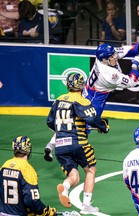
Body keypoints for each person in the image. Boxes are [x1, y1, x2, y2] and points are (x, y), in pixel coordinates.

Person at [44, 39, 139, 162]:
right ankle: (73, 157)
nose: (115, 57)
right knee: (80, 131)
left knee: (69, 124)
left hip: (85, 95)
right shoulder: (108, 74)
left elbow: (124, 51)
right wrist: (135, 65)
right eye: (112, 56)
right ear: (105, 59)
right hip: (93, 104)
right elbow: (131, 82)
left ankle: (51, 145)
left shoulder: (102, 59)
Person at [47, 73, 110, 214]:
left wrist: (63, 130)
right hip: (78, 142)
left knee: (73, 175)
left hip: (60, 146)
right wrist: (104, 126)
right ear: (81, 86)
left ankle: (66, 187)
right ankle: (86, 205)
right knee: (90, 170)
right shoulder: (82, 100)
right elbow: (93, 119)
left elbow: (50, 122)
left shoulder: (58, 100)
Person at [0, 136, 57, 215]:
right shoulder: (27, 170)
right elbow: (32, 201)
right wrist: (47, 212)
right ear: (28, 149)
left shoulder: (4, 165)